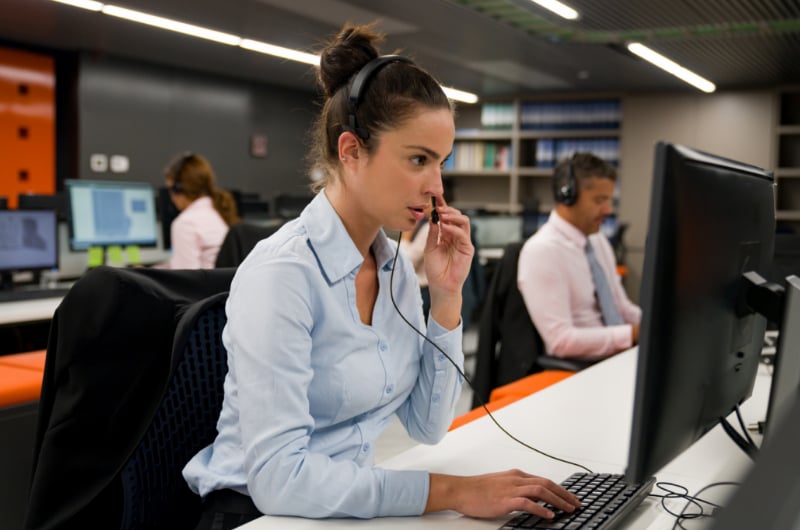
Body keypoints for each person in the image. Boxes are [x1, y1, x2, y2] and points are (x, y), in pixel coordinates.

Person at [182, 23, 580, 529]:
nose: (436, 187)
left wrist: (445, 299)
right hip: (258, 515)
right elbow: (279, 478)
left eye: (440, 163)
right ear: (351, 152)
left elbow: (427, 426)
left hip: (341, 506)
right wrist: (453, 491)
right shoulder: (283, 275)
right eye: (418, 159)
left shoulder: (391, 267)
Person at [517, 152, 641, 361]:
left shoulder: (598, 240)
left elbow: (622, 307)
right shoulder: (542, 251)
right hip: (584, 365)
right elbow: (561, 340)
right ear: (567, 195)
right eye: (600, 200)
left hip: (618, 355)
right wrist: (631, 335)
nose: (608, 210)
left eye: (609, 200)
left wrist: (657, 324)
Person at [156, 152, 240, 269]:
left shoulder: (185, 224)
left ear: (178, 189)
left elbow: (184, 279)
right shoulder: (218, 211)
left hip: (207, 287)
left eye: (170, 189)